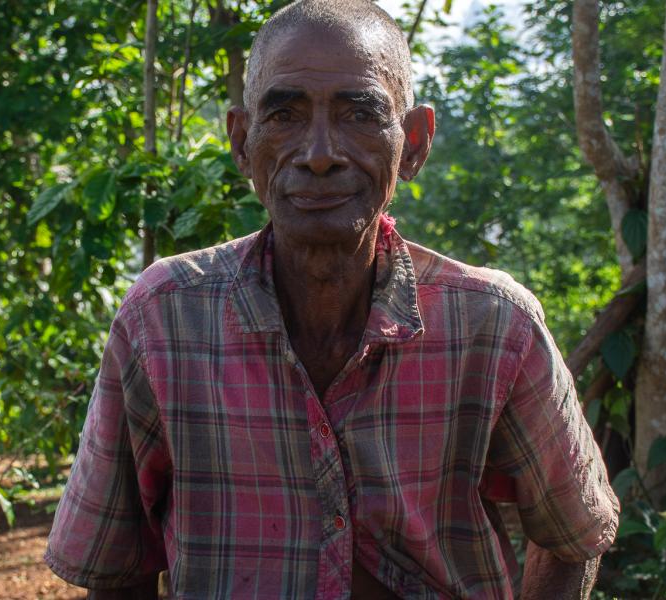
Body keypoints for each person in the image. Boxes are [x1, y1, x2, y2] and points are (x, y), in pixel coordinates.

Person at [44, 0, 619, 597]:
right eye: (285, 115)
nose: (320, 154)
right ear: (242, 142)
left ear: (414, 142)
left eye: (360, 114)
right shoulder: (163, 318)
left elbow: (570, 536)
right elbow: (117, 568)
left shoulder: (496, 326)